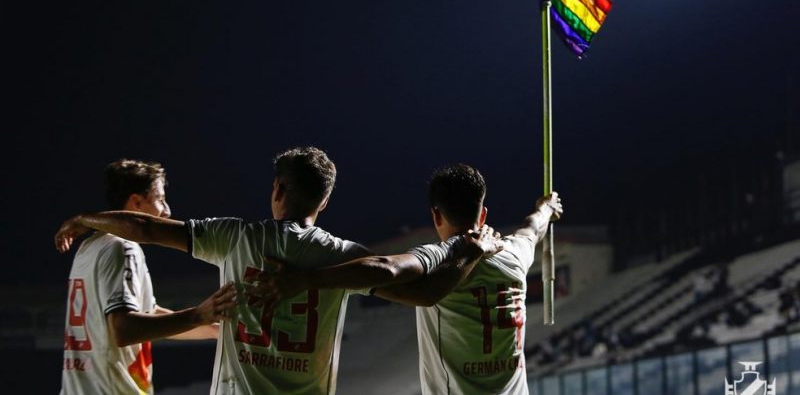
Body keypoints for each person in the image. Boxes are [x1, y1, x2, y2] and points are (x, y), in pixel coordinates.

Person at [55, 148, 496, 395]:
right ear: (323, 203)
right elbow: (425, 294)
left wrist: (88, 218)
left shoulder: (236, 237)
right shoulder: (342, 258)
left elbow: (145, 227)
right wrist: (466, 251)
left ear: (277, 189)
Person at [258, 164, 562, 394]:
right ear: (482, 214)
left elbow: (385, 267)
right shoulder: (515, 253)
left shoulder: (440, 257)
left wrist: (307, 279)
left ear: (435, 215)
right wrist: (547, 208)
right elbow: (532, 228)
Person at [58, 159, 237, 395]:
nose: (167, 210)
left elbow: (148, 314)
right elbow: (125, 330)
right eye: (160, 199)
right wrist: (197, 314)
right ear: (136, 202)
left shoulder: (89, 247)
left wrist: (212, 328)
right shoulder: (122, 248)